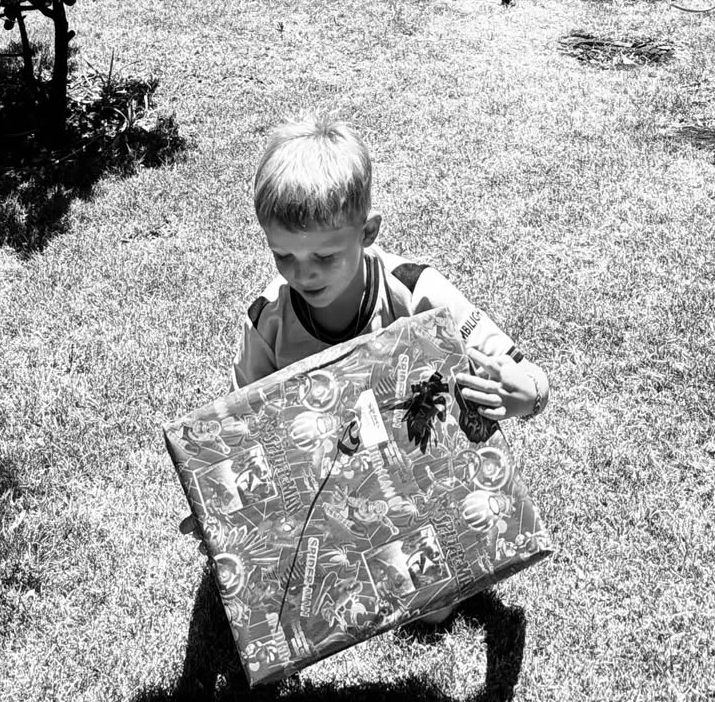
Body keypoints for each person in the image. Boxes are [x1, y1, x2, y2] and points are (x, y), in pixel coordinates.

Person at [183, 116, 550, 624]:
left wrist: (526, 395)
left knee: (431, 610)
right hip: (323, 476)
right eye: (283, 255)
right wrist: (216, 506)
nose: (302, 273)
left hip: (419, 464)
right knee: (290, 586)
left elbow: (528, 375)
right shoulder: (269, 320)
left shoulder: (417, 292)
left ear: (368, 232)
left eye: (324, 255)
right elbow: (241, 433)